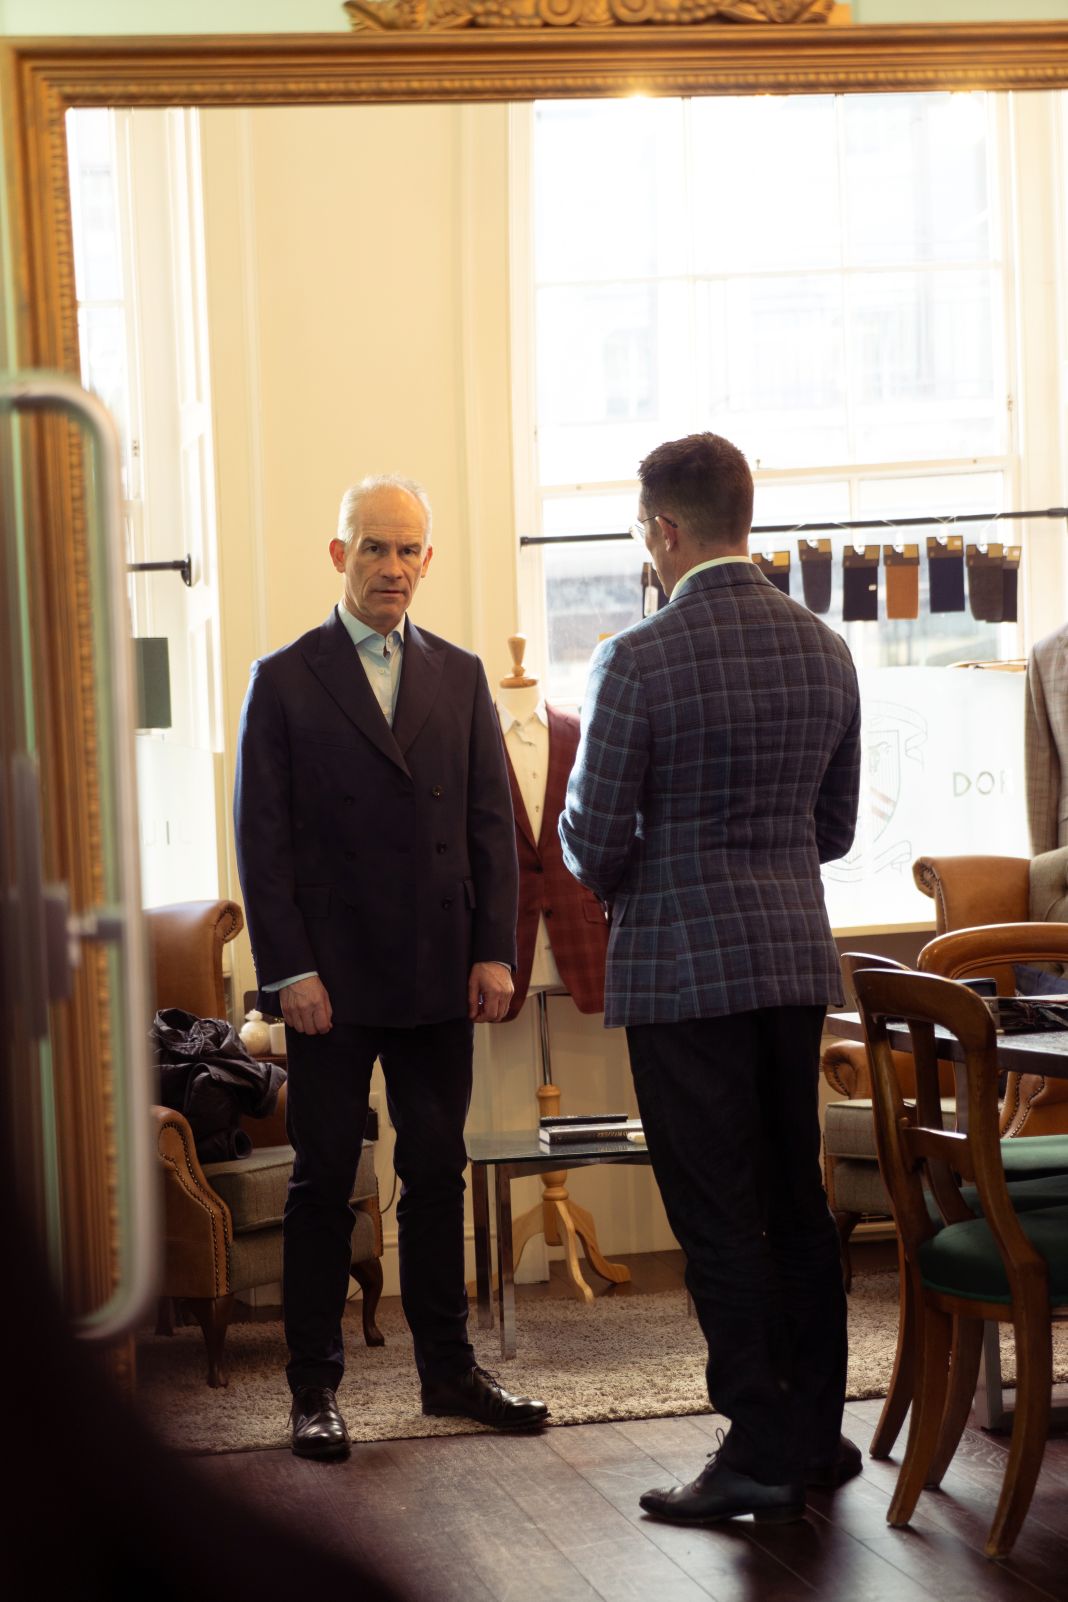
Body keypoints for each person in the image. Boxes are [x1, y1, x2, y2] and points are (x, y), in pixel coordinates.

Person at [559, 432, 862, 1526]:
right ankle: (815, 1435)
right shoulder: (826, 649)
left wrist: (659, 862)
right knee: (797, 1201)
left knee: (719, 1215)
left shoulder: (635, 658)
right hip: (791, 962)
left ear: (664, 530)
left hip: (681, 972)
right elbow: (830, 829)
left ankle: (754, 1450)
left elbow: (590, 840)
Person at [234, 473, 548, 1459]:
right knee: (326, 1179)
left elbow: (493, 829)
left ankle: (448, 1371)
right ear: (340, 556)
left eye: (411, 550)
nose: (394, 568)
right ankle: (313, 1388)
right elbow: (263, 841)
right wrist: (289, 971)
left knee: (436, 1168)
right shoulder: (284, 678)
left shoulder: (458, 677)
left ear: (428, 560)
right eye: (375, 548)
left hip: (438, 971)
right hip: (329, 981)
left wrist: (495, 949)